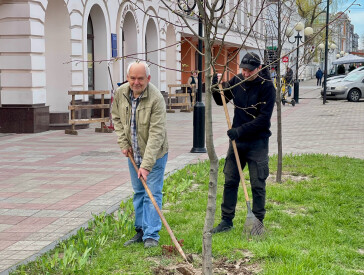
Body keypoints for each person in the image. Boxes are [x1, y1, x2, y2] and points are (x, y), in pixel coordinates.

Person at [211, 52, 276, 234]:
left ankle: (257, 222)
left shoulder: (267, 86)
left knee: (257, 183)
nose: (245, 74)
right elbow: (220, 100)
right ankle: (226, 221)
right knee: (230, 180)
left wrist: (239, 130)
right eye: (243, 70)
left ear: (258, 68)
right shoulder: (238, 80)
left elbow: (264, 119)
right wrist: (214, 86)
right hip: (237, 143)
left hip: (257, 142)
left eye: (249, 71)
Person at [112, 61, 169, 248]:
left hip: (155, 154)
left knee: (152, 192)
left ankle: (151, 235)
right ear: (127, 78)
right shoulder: (120, 93)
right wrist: (123, 142)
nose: (136, 82)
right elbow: (117, 118)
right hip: (133, 152)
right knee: (138, 192)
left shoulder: (156, 98)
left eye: (140, 79)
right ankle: (141, 230)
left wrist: (146, 166)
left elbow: (157, 134)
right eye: (132, 78)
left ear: (148, 79)